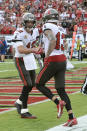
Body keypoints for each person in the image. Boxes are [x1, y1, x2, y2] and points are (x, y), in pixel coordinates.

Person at [36, 8, 77, 127]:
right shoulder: (60, 28)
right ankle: (71, 117)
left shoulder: (47, 26)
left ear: (47, 17)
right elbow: (63, 44)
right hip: (62, 59)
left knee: (38, 83)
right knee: (60, 89)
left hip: (53, 59)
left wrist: (47, 56)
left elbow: (53, 41)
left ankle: (58, 102)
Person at [12, 12, 41, 119]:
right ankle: (24, 110)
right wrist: (33, 49)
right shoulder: (18, 32)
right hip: (20, 59)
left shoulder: (36, 31)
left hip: (29, 58)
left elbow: (39, 40)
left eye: (31, 22)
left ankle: (18, 102)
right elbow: (20, 49)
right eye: (28, 22)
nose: (30, 24)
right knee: (27, 84)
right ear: (24, 22)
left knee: (32, 84)